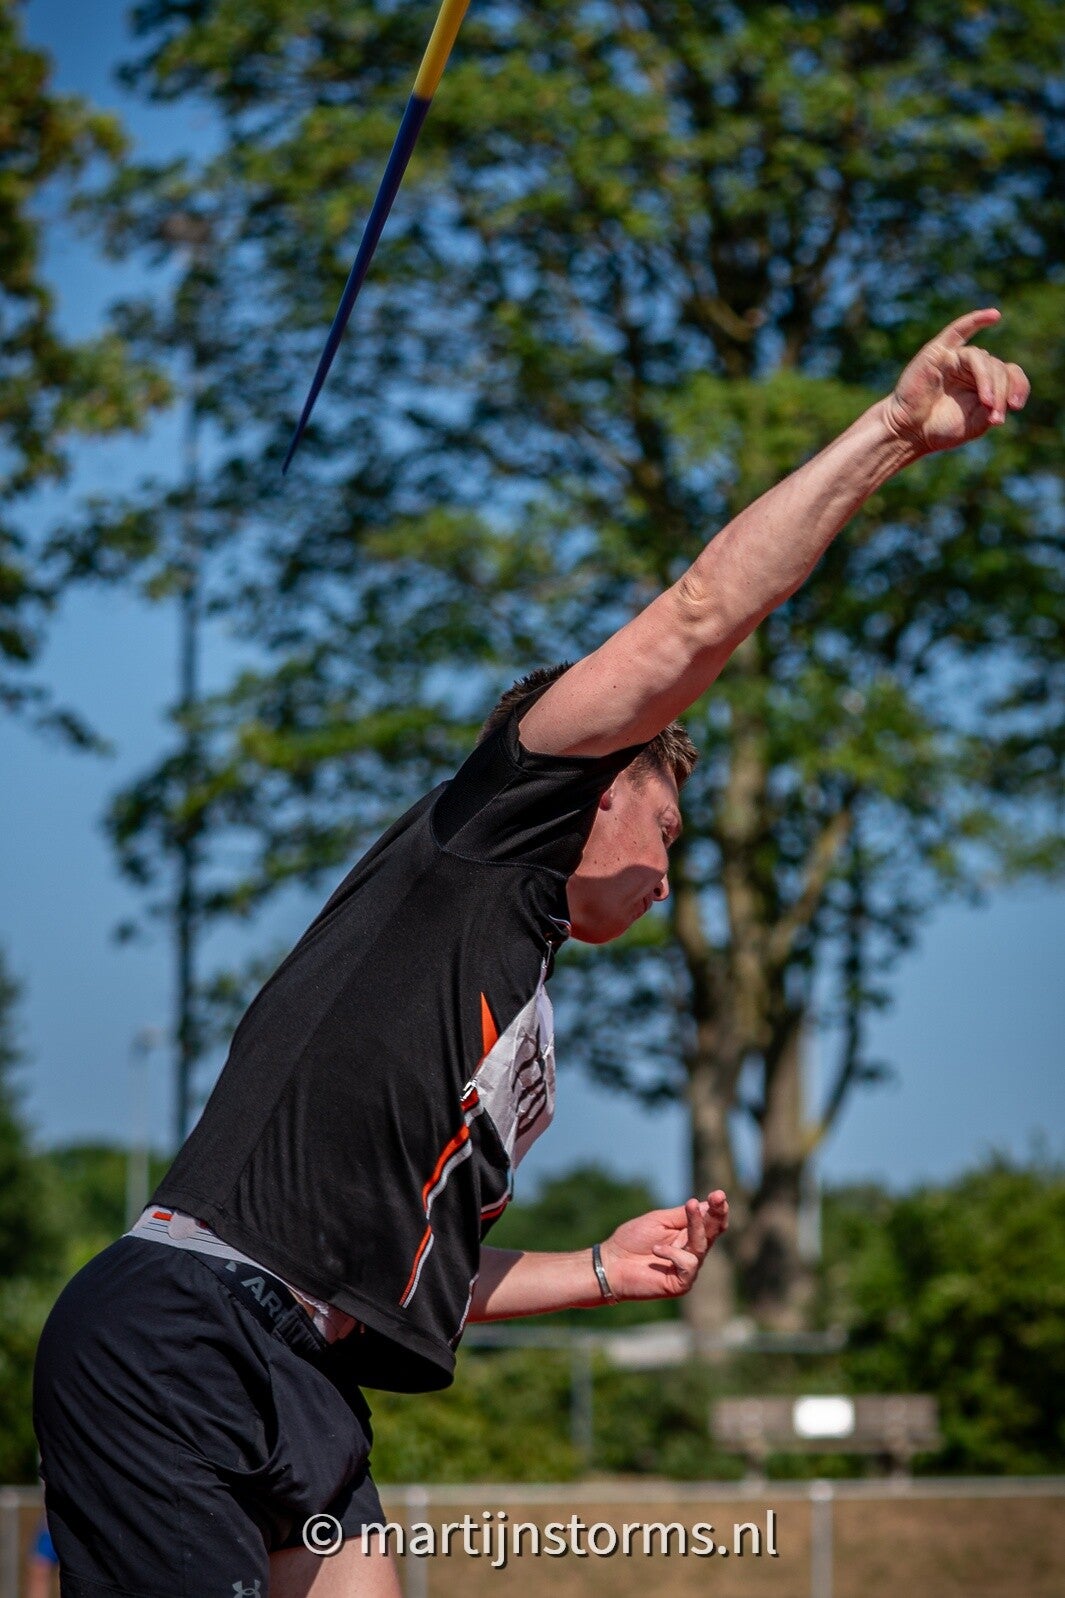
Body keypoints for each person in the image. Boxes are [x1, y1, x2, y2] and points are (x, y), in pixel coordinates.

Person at [34, 309, 1028, 1598]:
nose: (667, 876)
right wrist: (892, 431)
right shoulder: (492, 828)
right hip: (182, 1335)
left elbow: (407, 1273)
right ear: (600, 787)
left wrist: (604, 1271)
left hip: (309, 1379)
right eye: (664, 831)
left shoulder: (516, 1018)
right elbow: (700, 613)